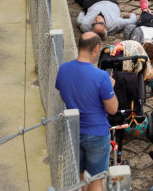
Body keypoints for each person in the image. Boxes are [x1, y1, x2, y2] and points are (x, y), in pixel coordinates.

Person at [54, 32, 118, 191]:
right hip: (96, 133)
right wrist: (111, 87)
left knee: (81, 175)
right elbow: (113, 109)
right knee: (96, 180)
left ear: (79, 46)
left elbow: (63, 92)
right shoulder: (102, 77)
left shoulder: (63, 69)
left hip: (73, 131)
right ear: (96, 48)